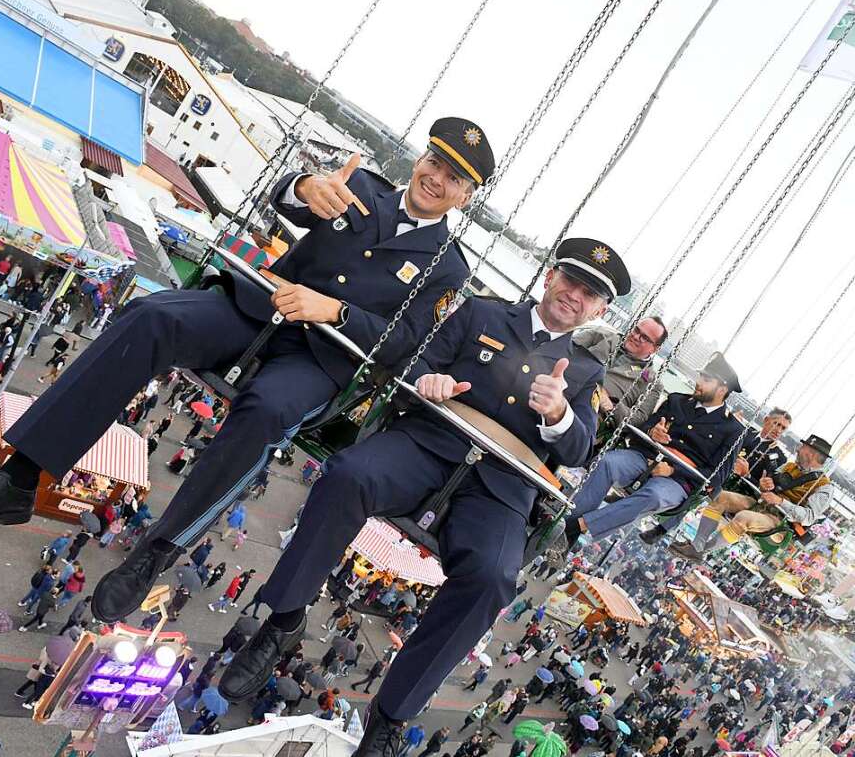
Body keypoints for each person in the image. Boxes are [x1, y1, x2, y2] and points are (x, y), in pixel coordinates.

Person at [0, 119, 496, 626]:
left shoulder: (448, 269)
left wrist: (336, 311)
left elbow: (404, 348)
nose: (436, 179)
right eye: (435, 161)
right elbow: (282, 202)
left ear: (465, 197)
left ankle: (157, 550)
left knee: (266, 412)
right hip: (257, 308)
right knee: (149, 316)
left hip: (319, 358)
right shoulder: (359, 186)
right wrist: (302, 186)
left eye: (455, 178)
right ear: (420, 158)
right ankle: (17, 479)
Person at [219, 238, 630, 756]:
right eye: (570, 279)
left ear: (599, 310)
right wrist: (428, 379)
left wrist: (558, 415)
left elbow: (578, 450)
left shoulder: (586, 374)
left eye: (590, 293)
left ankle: (392, 711)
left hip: (502, 483)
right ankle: (283, 618)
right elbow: (415, 361)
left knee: (492, 579)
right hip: (431, 441)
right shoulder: (481, 312)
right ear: (550, 277)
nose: (575, 295)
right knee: (348, 475)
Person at [561, 352, 746, 551]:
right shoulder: (676, 401)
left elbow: (717, 477)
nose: (698, 382)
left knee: (654, 497)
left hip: (679, 480)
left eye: (706, 379)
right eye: (700, 376)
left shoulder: (732, 429)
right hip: (645, 458)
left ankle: (575, 527)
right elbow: (643, 427)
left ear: (722, 390)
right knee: (607, 462)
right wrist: (652, 431)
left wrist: (673, 471)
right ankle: (564, 528)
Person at [671, 434, 835, 559]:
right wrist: (764, 485)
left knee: (743, 517)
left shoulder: (824, 487)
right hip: (762, 504)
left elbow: (808, 517)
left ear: (812, 454)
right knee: (721, 497)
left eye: (803, 447)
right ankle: (696, 546)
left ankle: (701, 552)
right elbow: (766, 488)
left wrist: (780, 501)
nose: (798, 449)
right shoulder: (790, 466)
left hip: (779, 523)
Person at [645, 408, 792, 544]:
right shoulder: (743, 432)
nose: (778, 430)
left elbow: (763, 488)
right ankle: (657, 517)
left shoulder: (779, 458)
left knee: (704, 494)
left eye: (783, 428)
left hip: (738, 491)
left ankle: (667, 531)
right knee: (694, 486)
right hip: (716, 473)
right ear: (766, 420)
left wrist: (746, 475)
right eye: (776, 424)